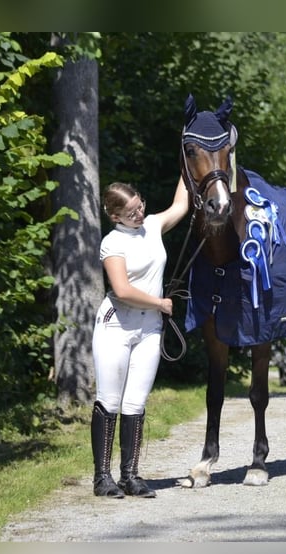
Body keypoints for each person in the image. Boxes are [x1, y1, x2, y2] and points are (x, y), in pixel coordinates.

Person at [90, 177, 188, 498]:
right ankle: (102, 477)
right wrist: (160, 303)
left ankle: (130, 475)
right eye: (131, 211)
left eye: (140, 205)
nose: (139, 213)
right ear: (115, 215)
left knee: (136, 402)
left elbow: (181, 206)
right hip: (116, 325)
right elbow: (122, 290)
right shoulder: (112, 243)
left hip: (149, 328)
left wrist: (188, 159)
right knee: (110, 400)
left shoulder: (154, 225)